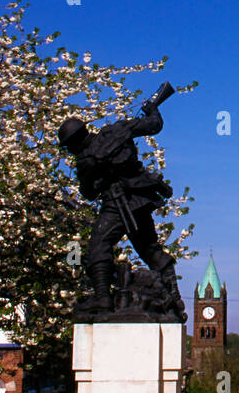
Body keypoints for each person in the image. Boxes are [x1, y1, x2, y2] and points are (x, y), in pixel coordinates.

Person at [58, 88, 182, 317]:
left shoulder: (85, 161)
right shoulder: (117, 130)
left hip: (116, 204)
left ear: (74, 144)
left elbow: (88, 194)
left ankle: (103, 298)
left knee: (98, 246)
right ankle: (175, 299)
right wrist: (152, 108)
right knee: (149, 249)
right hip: (140, 201)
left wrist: (97, 179)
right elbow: (154, 125)